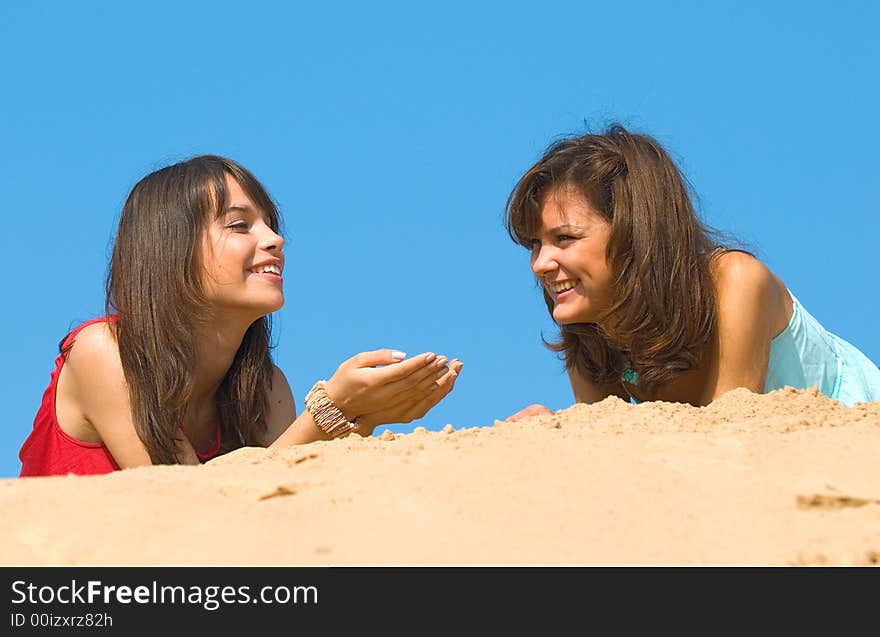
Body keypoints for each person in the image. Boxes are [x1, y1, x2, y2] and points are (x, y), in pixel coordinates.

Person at [19, 156, 463, 476]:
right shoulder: (105, 352)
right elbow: (187, 510)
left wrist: (361, 416)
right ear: (171, 251)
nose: (274, 240)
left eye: (271, 224)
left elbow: (272, 521)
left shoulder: (265, 388)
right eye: (239, 225)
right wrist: (328, 412)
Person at [504, 124, 880, 421]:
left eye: (564, 238)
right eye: (535, 244)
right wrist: (557, 430)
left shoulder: (735, 280)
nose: (540, 265)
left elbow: (731, 431)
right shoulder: (588, 332)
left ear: (633, 232)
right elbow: (615, 458)